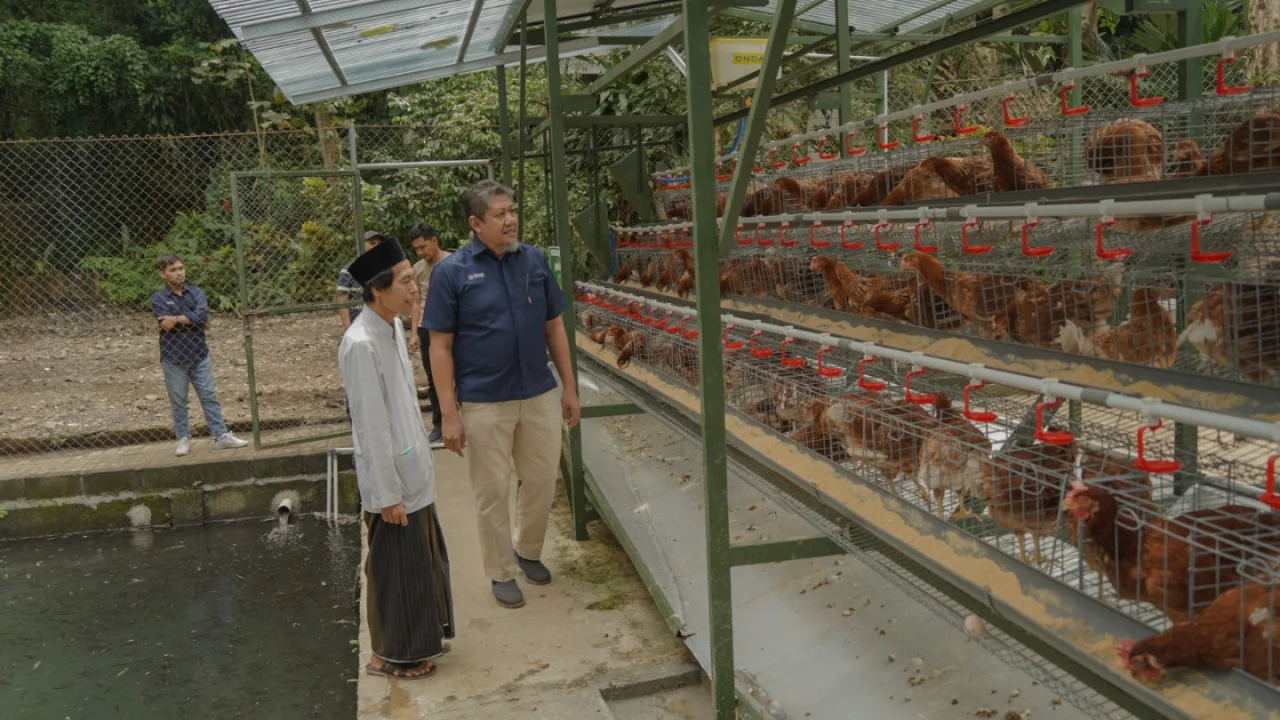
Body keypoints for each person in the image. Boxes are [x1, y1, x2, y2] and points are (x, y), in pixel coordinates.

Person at [424, 180, 581, 610]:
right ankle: (500, 571)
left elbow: (554, 326)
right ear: (476, 224)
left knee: (543, 478)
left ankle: (527, 550)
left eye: (512, 211)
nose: (510, 220)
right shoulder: (451, 272)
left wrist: (569, 386)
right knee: (492, 490)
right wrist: (449, 414)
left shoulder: (532, 260)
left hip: (537, 392)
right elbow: (439, 345)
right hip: (484, 399)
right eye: (499, 214)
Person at [338, 239, 454, 680]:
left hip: (411, 469)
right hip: (394, 484)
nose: (414, 289)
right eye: (405, 281)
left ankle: (419, 641)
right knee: (395, 572)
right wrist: (387, 495)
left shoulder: (389, 329)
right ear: (377, 290)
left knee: (419, 565)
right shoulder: (360, 344)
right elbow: (370, 426)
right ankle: (389, 655)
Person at [149, 255, 248, 457]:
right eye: (173, 270)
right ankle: (183, 438)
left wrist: (176, 319)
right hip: (173, 358)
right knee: (178, 400)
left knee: (209, 395)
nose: (179, 273)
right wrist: (192, 321)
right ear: (163, 274)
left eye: (181, 268)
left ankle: (221, 436)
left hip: (199, 354)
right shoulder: (158, 298)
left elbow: (202, 317)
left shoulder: (196, 292)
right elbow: (165, 325)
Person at [408, 223, 450, 444]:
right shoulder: (417, 269)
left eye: (423, 246)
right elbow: (416, 301)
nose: (421, 252)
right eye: (416, 249)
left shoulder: (454, 262)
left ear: (435, 241)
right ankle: (439, 425)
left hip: (453, 326)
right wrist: (414, 333)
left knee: (461, 374)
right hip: (427, 326)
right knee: (434, 377)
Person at [337, 230, 385, 333]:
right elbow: (342, 299)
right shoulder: (349, 270)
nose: (376, 247)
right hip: (358, 323)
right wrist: (348, 329)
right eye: (372, 243)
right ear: (361, 245)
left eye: (379, 244)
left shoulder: (384, 270)